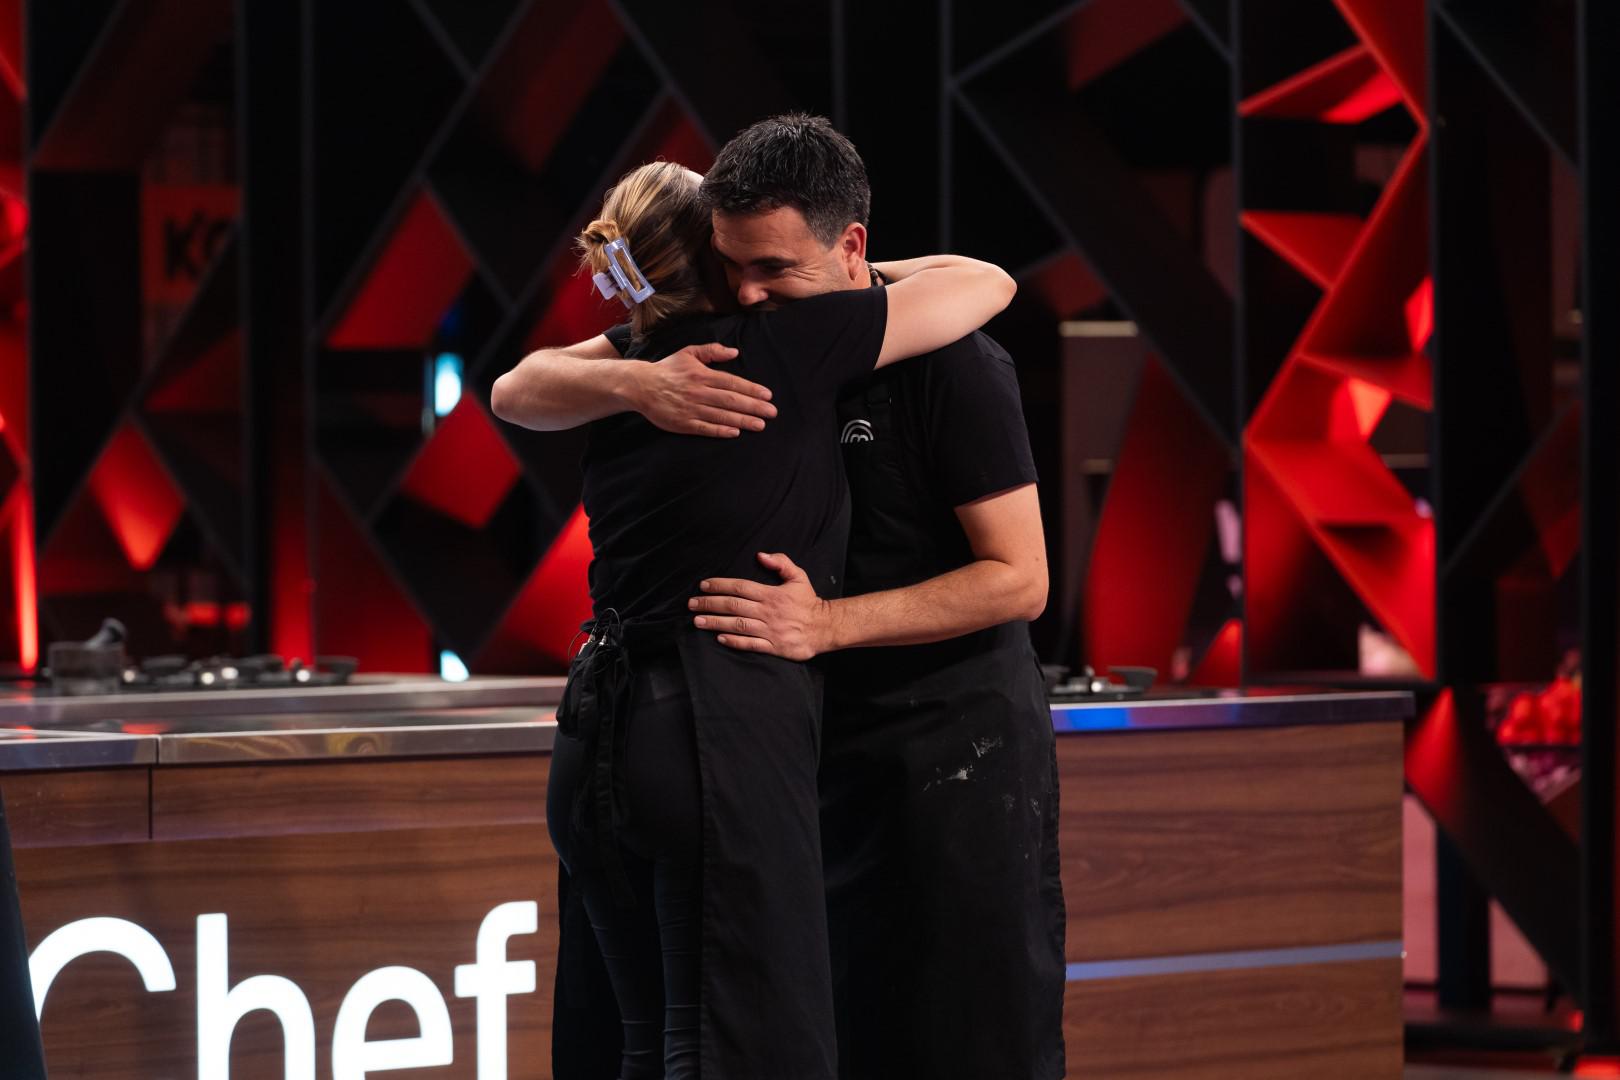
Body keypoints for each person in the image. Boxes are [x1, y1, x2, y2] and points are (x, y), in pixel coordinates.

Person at [509, 115, 1065, 1080]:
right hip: (781, 751)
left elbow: (1022, 579)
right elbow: (524, 383)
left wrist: (827, 623)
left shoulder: (943, 359)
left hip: (947, 765)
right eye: (731, 268)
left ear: (851, 247)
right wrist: (641, 383)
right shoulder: (724, 346)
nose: (750, 294)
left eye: (774, 269)